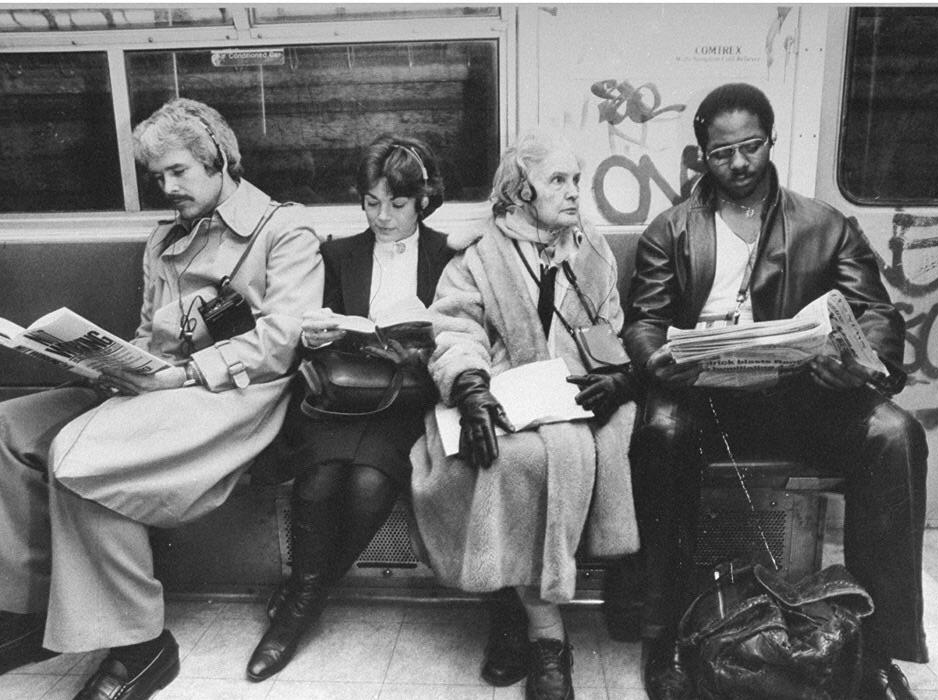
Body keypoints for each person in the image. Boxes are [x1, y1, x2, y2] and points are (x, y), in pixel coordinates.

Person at [0, 97, 323, 700]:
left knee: (81, 455)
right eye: (158, 178)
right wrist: (106, 365)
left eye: (178, 172)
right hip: (158, 383)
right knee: (10, 428)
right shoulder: (164, 241)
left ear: (220, 160)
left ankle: (141, 645)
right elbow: (152, 334)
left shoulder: (284, 229)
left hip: (235, 395)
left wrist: (178, 376)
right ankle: (31, 614)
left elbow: (282, 341)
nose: (166, 188)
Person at [622, 83, 927, 700]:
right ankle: (668, 635)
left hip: (804, 397)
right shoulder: (671, 231)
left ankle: (876, 649)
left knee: (895, 433)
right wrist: (657, 358)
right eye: (721, 152)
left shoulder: (825, 224)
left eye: (751, 147)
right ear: (701, 154)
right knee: (658, 431)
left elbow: (875, 313)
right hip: (705, 400)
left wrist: (862, 366)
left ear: (771, 142)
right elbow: (645, 320)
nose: (738, 164)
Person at [410, 131, 640, 700]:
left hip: (576, 392)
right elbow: (454, 330)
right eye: (558, 181)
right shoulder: (477, 257)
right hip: (501, 392)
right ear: (520, 189)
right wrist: (469, 386)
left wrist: (617, 376)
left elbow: (611, 327)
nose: (572, 193)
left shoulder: (593, 251)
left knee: (569, 448)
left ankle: (523, 620)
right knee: (509, 459)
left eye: (575, 181)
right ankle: (544, 634)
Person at [244, 134, 459, 681]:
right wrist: (316, 336)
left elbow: (463, 330)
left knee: (367, 487)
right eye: (371, 202)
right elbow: (319, 329)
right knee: (318, 483)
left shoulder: (448, 254)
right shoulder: (339, 254)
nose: (383, 217)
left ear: (424, 200)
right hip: (345, 395)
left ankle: (299, 603)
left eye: (398, 204)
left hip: (406, 397)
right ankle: (302, 603)